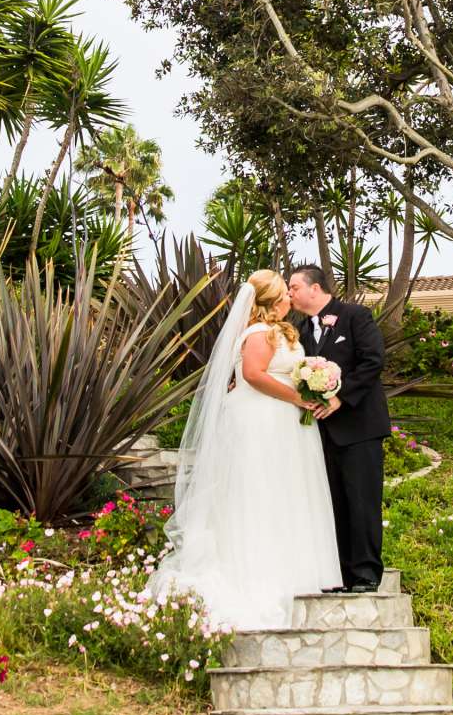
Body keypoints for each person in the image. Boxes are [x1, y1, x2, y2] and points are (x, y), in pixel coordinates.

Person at [146, 268, 343, 629]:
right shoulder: (256, 333)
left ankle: (299, 570)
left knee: (287, 494)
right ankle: (260, 572)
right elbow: (253, 375)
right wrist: (299, 396)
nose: (289, 299)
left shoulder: (282, 331)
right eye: (284, 294)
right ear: (268, 302)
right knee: (260, 492)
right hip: (261, 420)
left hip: (285, 423)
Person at [285, 264, 389, 592]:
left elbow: (373, 360)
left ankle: (367, 573)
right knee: (333, 504)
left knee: (362, 501)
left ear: (314, 289)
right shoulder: (300, 331)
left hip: (360, 427)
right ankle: (340, 574)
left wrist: (340, 398)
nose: (290, 294)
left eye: (294, 288)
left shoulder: (355, 316)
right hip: (322, 433)